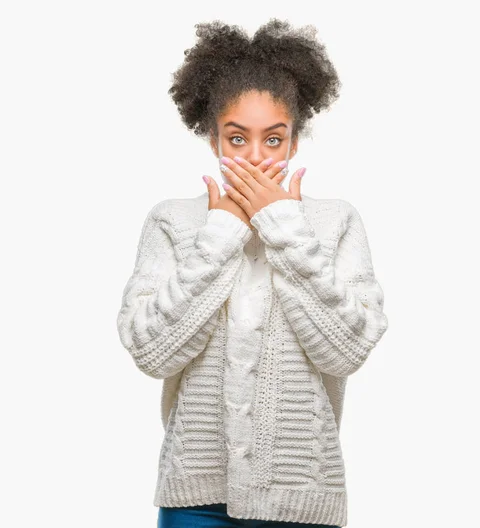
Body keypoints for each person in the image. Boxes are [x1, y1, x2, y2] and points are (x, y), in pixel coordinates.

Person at [116, 18, 389, 528]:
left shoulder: (334, 222)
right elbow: (151, 352)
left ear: (294, 143)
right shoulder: (173, 220)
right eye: (237, 139)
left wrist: (282, 225)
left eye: (273, 138)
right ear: (214, 139)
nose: (256, 157)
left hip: (303, 501)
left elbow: (348, 350)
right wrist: (221, 232)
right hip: (193, 497)